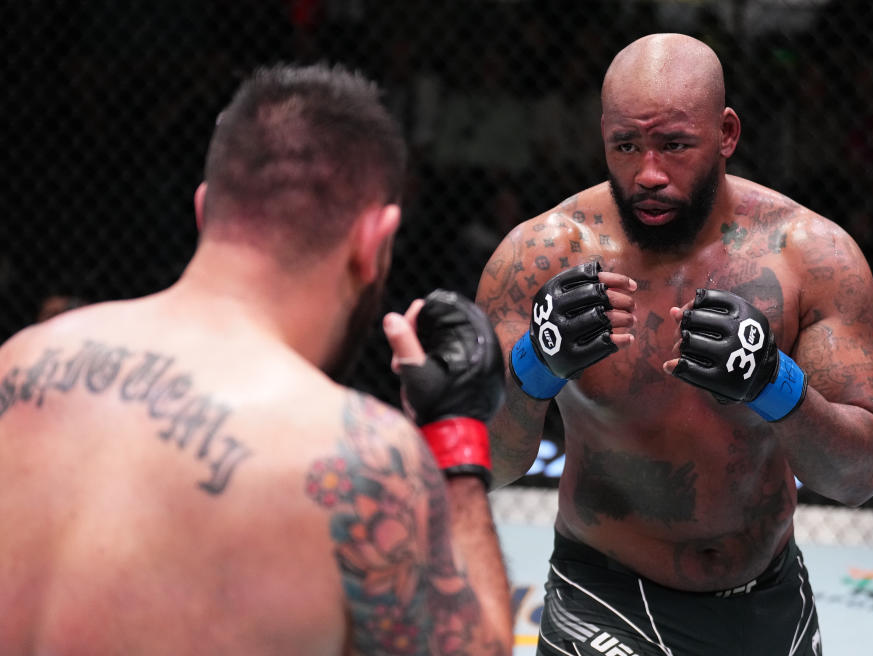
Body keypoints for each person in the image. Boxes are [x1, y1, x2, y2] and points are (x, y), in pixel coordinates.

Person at [0, 64, 512, 655]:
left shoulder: (22, 367)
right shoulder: (357, 456)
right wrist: (456, 437)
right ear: (374, 239)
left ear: (202, 209)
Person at [476, 33, 873, 656]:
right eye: (626, 145)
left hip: (768, 599)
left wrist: (773, 385)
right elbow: (492, 462)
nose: (648, 173)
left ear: (726, 134)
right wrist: (536, 366)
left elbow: (860, 476)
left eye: (674, 145)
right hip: (605, 596)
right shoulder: (541, 256)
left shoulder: (810, 256)